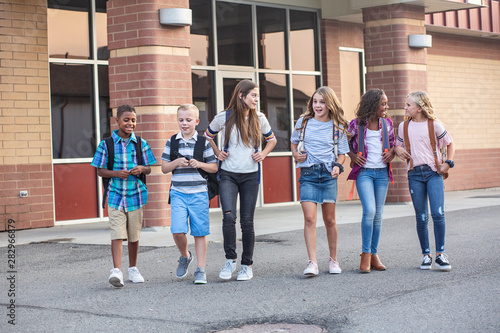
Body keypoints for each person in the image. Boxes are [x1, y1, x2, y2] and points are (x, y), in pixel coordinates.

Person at [205, 80, 277, 281]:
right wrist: (217, 152)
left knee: (247, 221)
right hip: (228, 174)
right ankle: (230, 260)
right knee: (228, 217)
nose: (256, 99)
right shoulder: (225, 117)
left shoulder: (259, 118)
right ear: (241, 95)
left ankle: (247, 265)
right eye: (253, 95)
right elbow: (208, 135)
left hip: (250, 176)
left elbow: (272, 140)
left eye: (257, 96)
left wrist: (262, 154)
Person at [91, 104, 157, 287]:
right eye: (126, 120)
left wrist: (141, 168)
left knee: (134, 235)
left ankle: (133, 268)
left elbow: (150, 168)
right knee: (117, 234)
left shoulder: (140, 143)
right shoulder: (106, 144)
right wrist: (116, 173)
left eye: (133, 120)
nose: (130, 123)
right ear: (117, 121)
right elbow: (100, 171)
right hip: (115, 195)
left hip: (135, 196)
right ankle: (117, 271)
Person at [290, 86, 350, 276]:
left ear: (330, 104)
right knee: (309, 219)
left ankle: (333, 260)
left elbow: (342, 154)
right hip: (308, 174)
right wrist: (295, 154)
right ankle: (312, 263)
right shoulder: (303, 122)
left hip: (327, 175)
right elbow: (293, 142)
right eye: (315, 101)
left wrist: (338, 166)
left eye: (322, 102)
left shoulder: (337, 125)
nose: (317, 105)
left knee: (330, 220)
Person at [395, 91, 455, 271]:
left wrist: (448, 164)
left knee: (437, 213)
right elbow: (398, 144)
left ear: (419, 108)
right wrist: (398, 149)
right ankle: (425, 255)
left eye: (408, 105)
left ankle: (440, 254)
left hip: (432, 172)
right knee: (421, 216)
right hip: (414, 173)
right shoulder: (403, 127)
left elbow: (450, 143)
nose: (405, 108)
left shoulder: (434, 125)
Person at [161, 104, 218, 284]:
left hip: (199, 194)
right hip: (178, 193)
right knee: (178, 230)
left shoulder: (204, 143)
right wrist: (176, 162)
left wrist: (199, 164)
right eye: (181, 120)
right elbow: (164, 168)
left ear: (196, 121)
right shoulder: (172, 141)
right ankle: (185, 256)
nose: (184, 123)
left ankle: (200, 269)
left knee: (199, 232)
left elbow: (214, 167)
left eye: (188, 120)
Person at [347, 89, 395, 273]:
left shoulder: (387, 123)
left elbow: (393, 145)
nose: (386, 107)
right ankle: (365, 254)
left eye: (387, 103)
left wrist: (392, 152)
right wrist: (352, 155)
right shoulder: (356, 124)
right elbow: (343, 142)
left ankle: (374, 255)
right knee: (370, 211)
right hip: (365, 173)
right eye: (383, 104)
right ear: (373, 104)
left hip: (382, 173)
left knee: (379, 214)